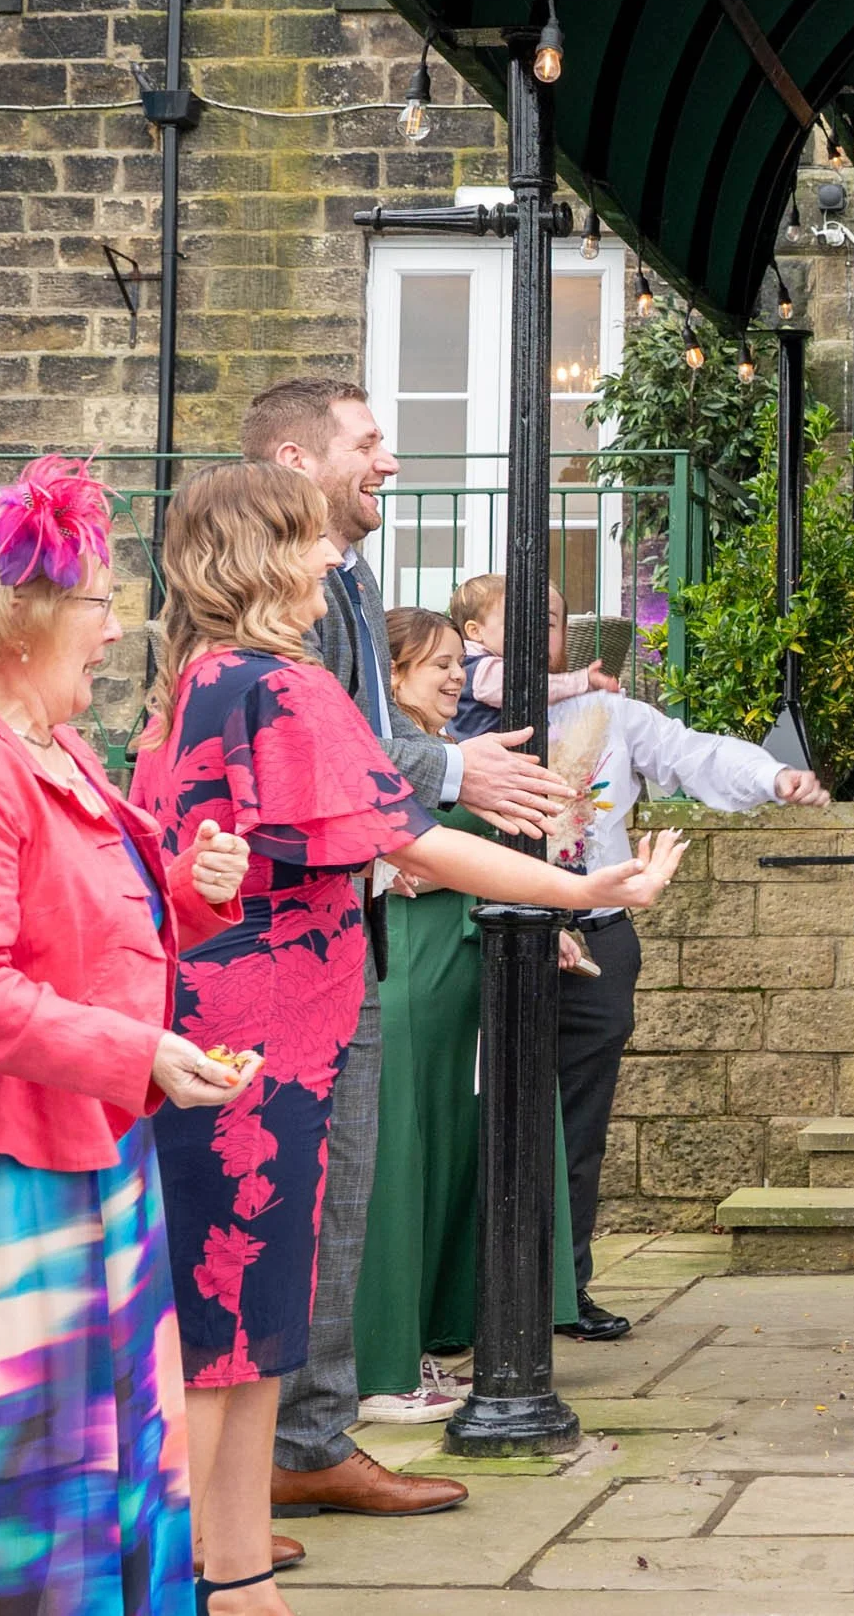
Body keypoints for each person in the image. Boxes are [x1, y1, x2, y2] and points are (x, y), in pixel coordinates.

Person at [128, 461, 685, 1616]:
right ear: (262, 558)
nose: (335, 560)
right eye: (312, 541)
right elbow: (413, 837)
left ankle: (233, 1571)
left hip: (235, 1025)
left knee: (247, 1329)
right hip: (260, 1040)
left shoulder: (203, 677)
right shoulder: (277, 686)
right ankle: (193, 1578)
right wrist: (583, 890)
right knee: (230, 1328)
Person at [240, 377, 577, 1521]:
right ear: (296, 460)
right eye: (369, 441)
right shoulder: (253, 629)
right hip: (277, 951)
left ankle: (307, 1438)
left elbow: (366, 736)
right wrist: (456, 777)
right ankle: (270, 1454)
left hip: (348, 928)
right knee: (293, 1202)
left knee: (340, 1191)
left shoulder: (348, 570)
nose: (389, 460)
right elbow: (340, 747)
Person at [0, 457, 255, 1614]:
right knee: (38, 1485)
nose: (118, 631)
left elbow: (90, 923)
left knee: (129, 1454)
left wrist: (191, 891)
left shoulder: (52, 744)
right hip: (9, 1177)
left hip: (97, 1147)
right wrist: (137, 1054)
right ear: (16, 618)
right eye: (98, 604)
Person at [538, 598, 831, 1341]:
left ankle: (564, 1288)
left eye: (550, 617)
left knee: (580, 1125)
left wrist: (772, 776)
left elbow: (690, 752)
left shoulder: (609, 712)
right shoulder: (466, 719)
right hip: (493, 937)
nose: (538, 630)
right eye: (519, 614)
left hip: (598, 938)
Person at [351, 608, 582, 1423]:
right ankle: (379, 1362)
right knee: (400, 1157)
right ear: (393, 674)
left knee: (450, 1155)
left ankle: (427, 1334)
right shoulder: (390, 757)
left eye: (459, 662)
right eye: (438, 664)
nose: (456, 677)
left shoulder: (453, 752)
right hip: (410, 966)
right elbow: (384, 856)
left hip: (464, 964)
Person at [443, 573, 617, 741]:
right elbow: (531, 688)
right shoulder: (484, 670)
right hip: (497, 755)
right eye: (514, 623)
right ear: (475, 631)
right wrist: (583, 681)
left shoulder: (464, 666)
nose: (528, 632)